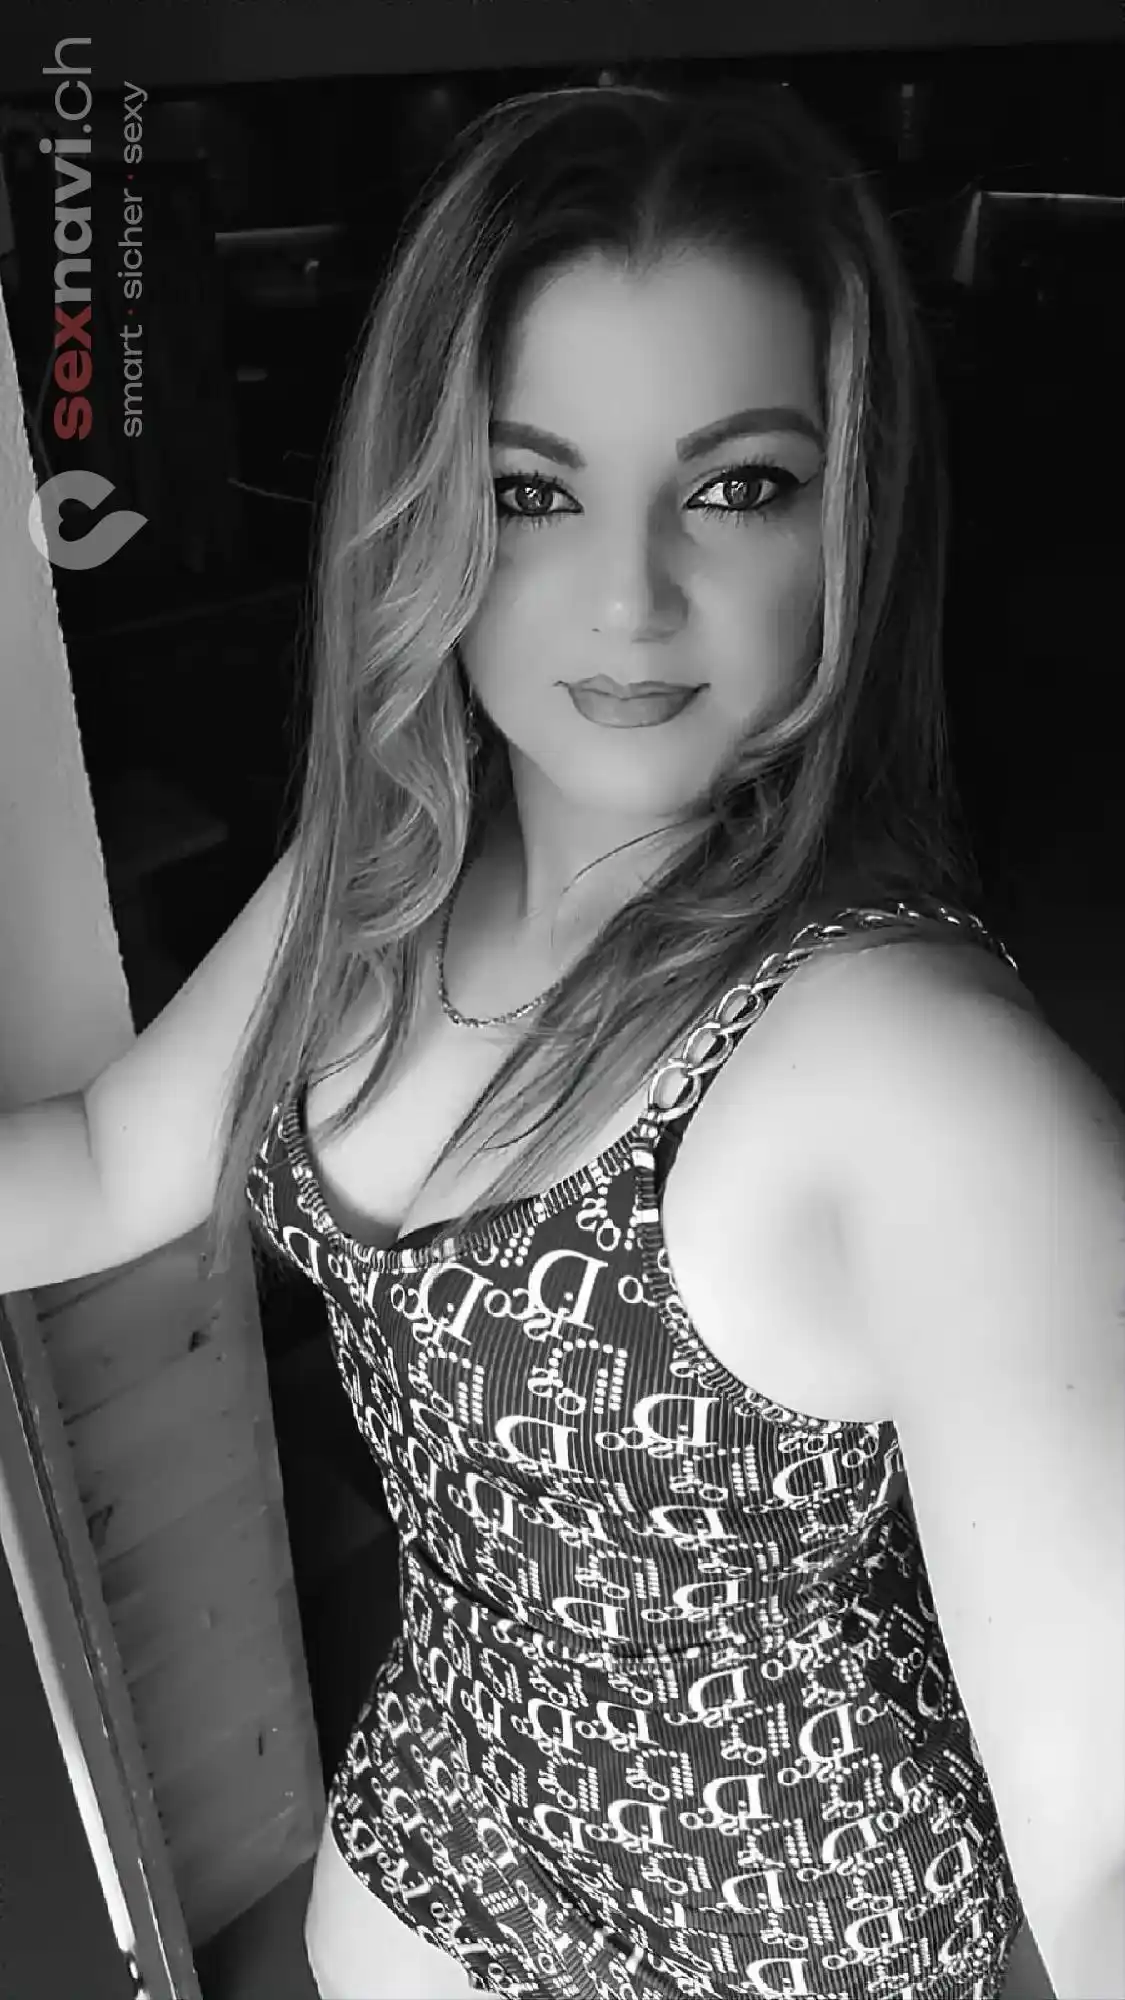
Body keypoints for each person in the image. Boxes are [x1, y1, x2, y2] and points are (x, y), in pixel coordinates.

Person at [2, 79, 1084, 2000]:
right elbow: (104, 1161)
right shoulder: (390, 874)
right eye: (531, 489)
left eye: (738, 486)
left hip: (785, 1930)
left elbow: (1105, 1837)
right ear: (423, 511)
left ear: (853, 516)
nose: (629, 595)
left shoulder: (921, 1074)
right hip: (453, 1794)